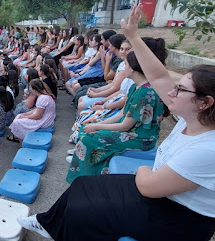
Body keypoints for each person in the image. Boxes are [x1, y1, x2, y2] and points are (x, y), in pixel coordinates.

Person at [17, 5, 215, 241]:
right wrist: (133, 37)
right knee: (85, 185)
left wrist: (145, 169)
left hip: (180, 221)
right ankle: (50, 223)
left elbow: (147, 186)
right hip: (165, 197)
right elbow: (158, 77)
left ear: (205, 102)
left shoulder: (213, 150)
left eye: (181, 89)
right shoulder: (197, 114)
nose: (171, 92)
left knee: (88, 211)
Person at [65, 38, 168, 183]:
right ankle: (89, 167)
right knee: (86, 129)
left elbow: (125, 126)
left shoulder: (144, 93)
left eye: (125, 64)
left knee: (88, 138)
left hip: (140, 138)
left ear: (132, 68)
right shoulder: (136, 87)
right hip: (130, 130)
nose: (123, 67)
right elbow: (122, 114)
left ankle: (85, 177)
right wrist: (99, 122)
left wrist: (97, 126)